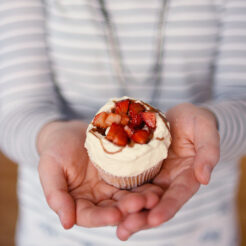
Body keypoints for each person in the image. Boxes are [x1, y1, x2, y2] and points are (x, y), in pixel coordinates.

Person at [0, 0, 245, 245]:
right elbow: (13, 114)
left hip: (201, 229)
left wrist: (211, 126)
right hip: (57, 233)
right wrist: (48, 136)